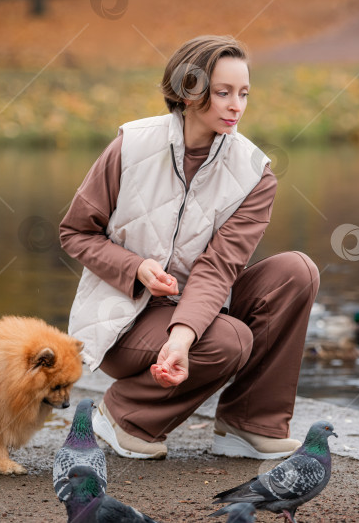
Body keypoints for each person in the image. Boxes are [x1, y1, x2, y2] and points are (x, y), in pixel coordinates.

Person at [59, 35, 320, 460]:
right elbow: (76, 232)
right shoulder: (132, 146)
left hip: (196, 308)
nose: (237, 106)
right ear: (189, 90)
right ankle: (124, 415)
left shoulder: (254, 174)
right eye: (223, 93)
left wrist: (181, 338)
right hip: (123, 318)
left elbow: (219, 268)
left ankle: (249, 423)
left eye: (244, 94)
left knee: (297, 271)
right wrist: (136, 268)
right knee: (229, 341)